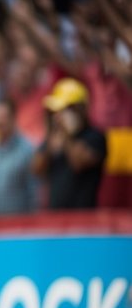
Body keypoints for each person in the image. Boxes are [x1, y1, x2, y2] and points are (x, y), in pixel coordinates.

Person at [33, 78, 107, 210]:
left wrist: (66, 136)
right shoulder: (54, 137)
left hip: (85, 220)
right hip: (55, 218)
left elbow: (78, 163)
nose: (59, 116)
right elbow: (37, 170)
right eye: (57, 111)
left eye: (66, 109)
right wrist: (50, 137)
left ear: (81, 109)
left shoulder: (95, 136)